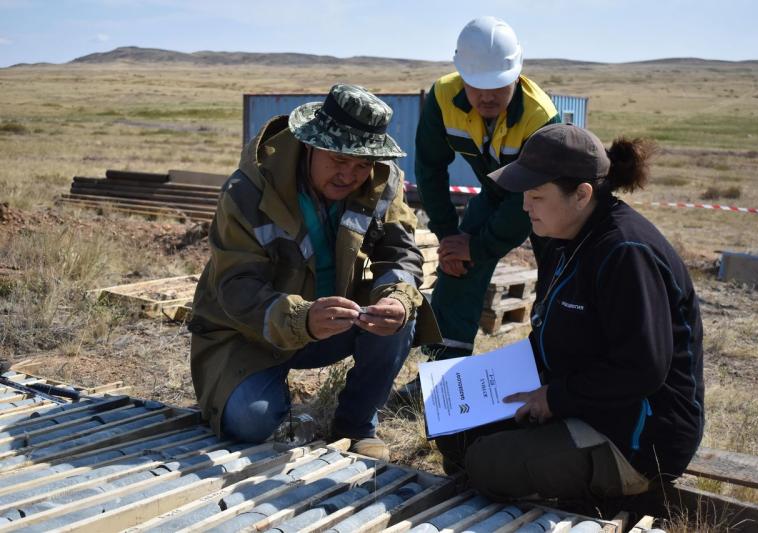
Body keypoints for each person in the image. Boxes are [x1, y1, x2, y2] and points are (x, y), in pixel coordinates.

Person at [453, 124, 705, 507]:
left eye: (537, 196)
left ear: (582, 194)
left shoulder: (626, 253)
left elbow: (643, 368)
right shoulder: (564, 237)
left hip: (636, 437)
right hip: (580, 402)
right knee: (454, 424)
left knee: (486, 462)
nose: (525, 207)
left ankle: (622, 491)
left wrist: (555, 398)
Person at [189, 84, 439, 461]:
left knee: (404, 312)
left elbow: (400, 252)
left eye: (361, 164)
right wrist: (302, 318)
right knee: (250, 422)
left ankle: (356, 426)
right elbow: (237, 288)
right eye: (339, 160)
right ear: (311, 144)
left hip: (335, 323)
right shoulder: (247, 191)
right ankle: (276, 404)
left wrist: (397, 299)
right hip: (249, 332)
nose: (349, 175)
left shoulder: (383, 181)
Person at [415, 16, 561, 361]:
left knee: (558, 279)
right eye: (476, 84)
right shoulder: (443, 96)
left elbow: (528, 199)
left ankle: (552, 371)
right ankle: (444, 370)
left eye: (498, 85)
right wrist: (450, 237)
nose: (487, 96)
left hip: (549, 199)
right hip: (497, 188)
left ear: (517, 75)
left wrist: (479, 246)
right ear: (461, 75)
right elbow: (430, 168)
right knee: (456, 264)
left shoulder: (540, 117)